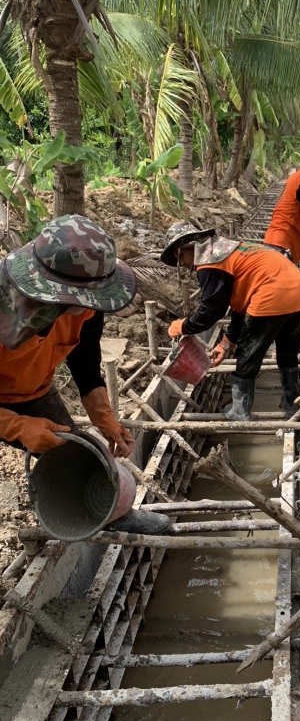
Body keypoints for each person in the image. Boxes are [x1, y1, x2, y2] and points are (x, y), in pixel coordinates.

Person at [0, 214, 170, 534]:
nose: (89, 305)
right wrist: (17, 426)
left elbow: (85, 361)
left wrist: (105, 418)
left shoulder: (87, 306)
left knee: (78, 453)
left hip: (33, 389)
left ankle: (110, 516)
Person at [161, 225, 300, 421]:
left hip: (271, 293)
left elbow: (211, 311)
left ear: (189, 246)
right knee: (287, 350)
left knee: (248, 353)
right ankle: (292, 402)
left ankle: (240, 410)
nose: (182, 263)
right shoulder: (231, 249)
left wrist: (181, 326)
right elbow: (241, 306)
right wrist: (226, 344)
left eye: (180, 256)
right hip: (299, 291)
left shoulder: (209, 260)